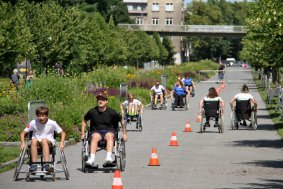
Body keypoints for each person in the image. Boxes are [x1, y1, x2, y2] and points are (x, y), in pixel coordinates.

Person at [81, 92, 128, 167]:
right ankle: (91, 159)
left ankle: (108, 157)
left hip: (109, 131)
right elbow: (84, 120)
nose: (100, 101)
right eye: (99, 99)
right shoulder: (92, 111)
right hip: (96, 132)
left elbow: (122, 120)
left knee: (109, 135)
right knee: (95, 136)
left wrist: (125, 133)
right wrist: (83, 134)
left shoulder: (112, 112)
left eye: (102, 99)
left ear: (106, 101)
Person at [20, 106, 66, 173]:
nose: (41, 118)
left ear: (47, 116)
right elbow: (23, 133)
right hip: (36, 142)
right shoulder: (33, 122)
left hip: (48, 141)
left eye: (43, 116)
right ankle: (34, 164)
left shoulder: (52, 123)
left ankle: (46, 164)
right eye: (39, 116)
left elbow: (63, 133)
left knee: (44, 140)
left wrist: (62, 143)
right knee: (33, 140)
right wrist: (22, 143)